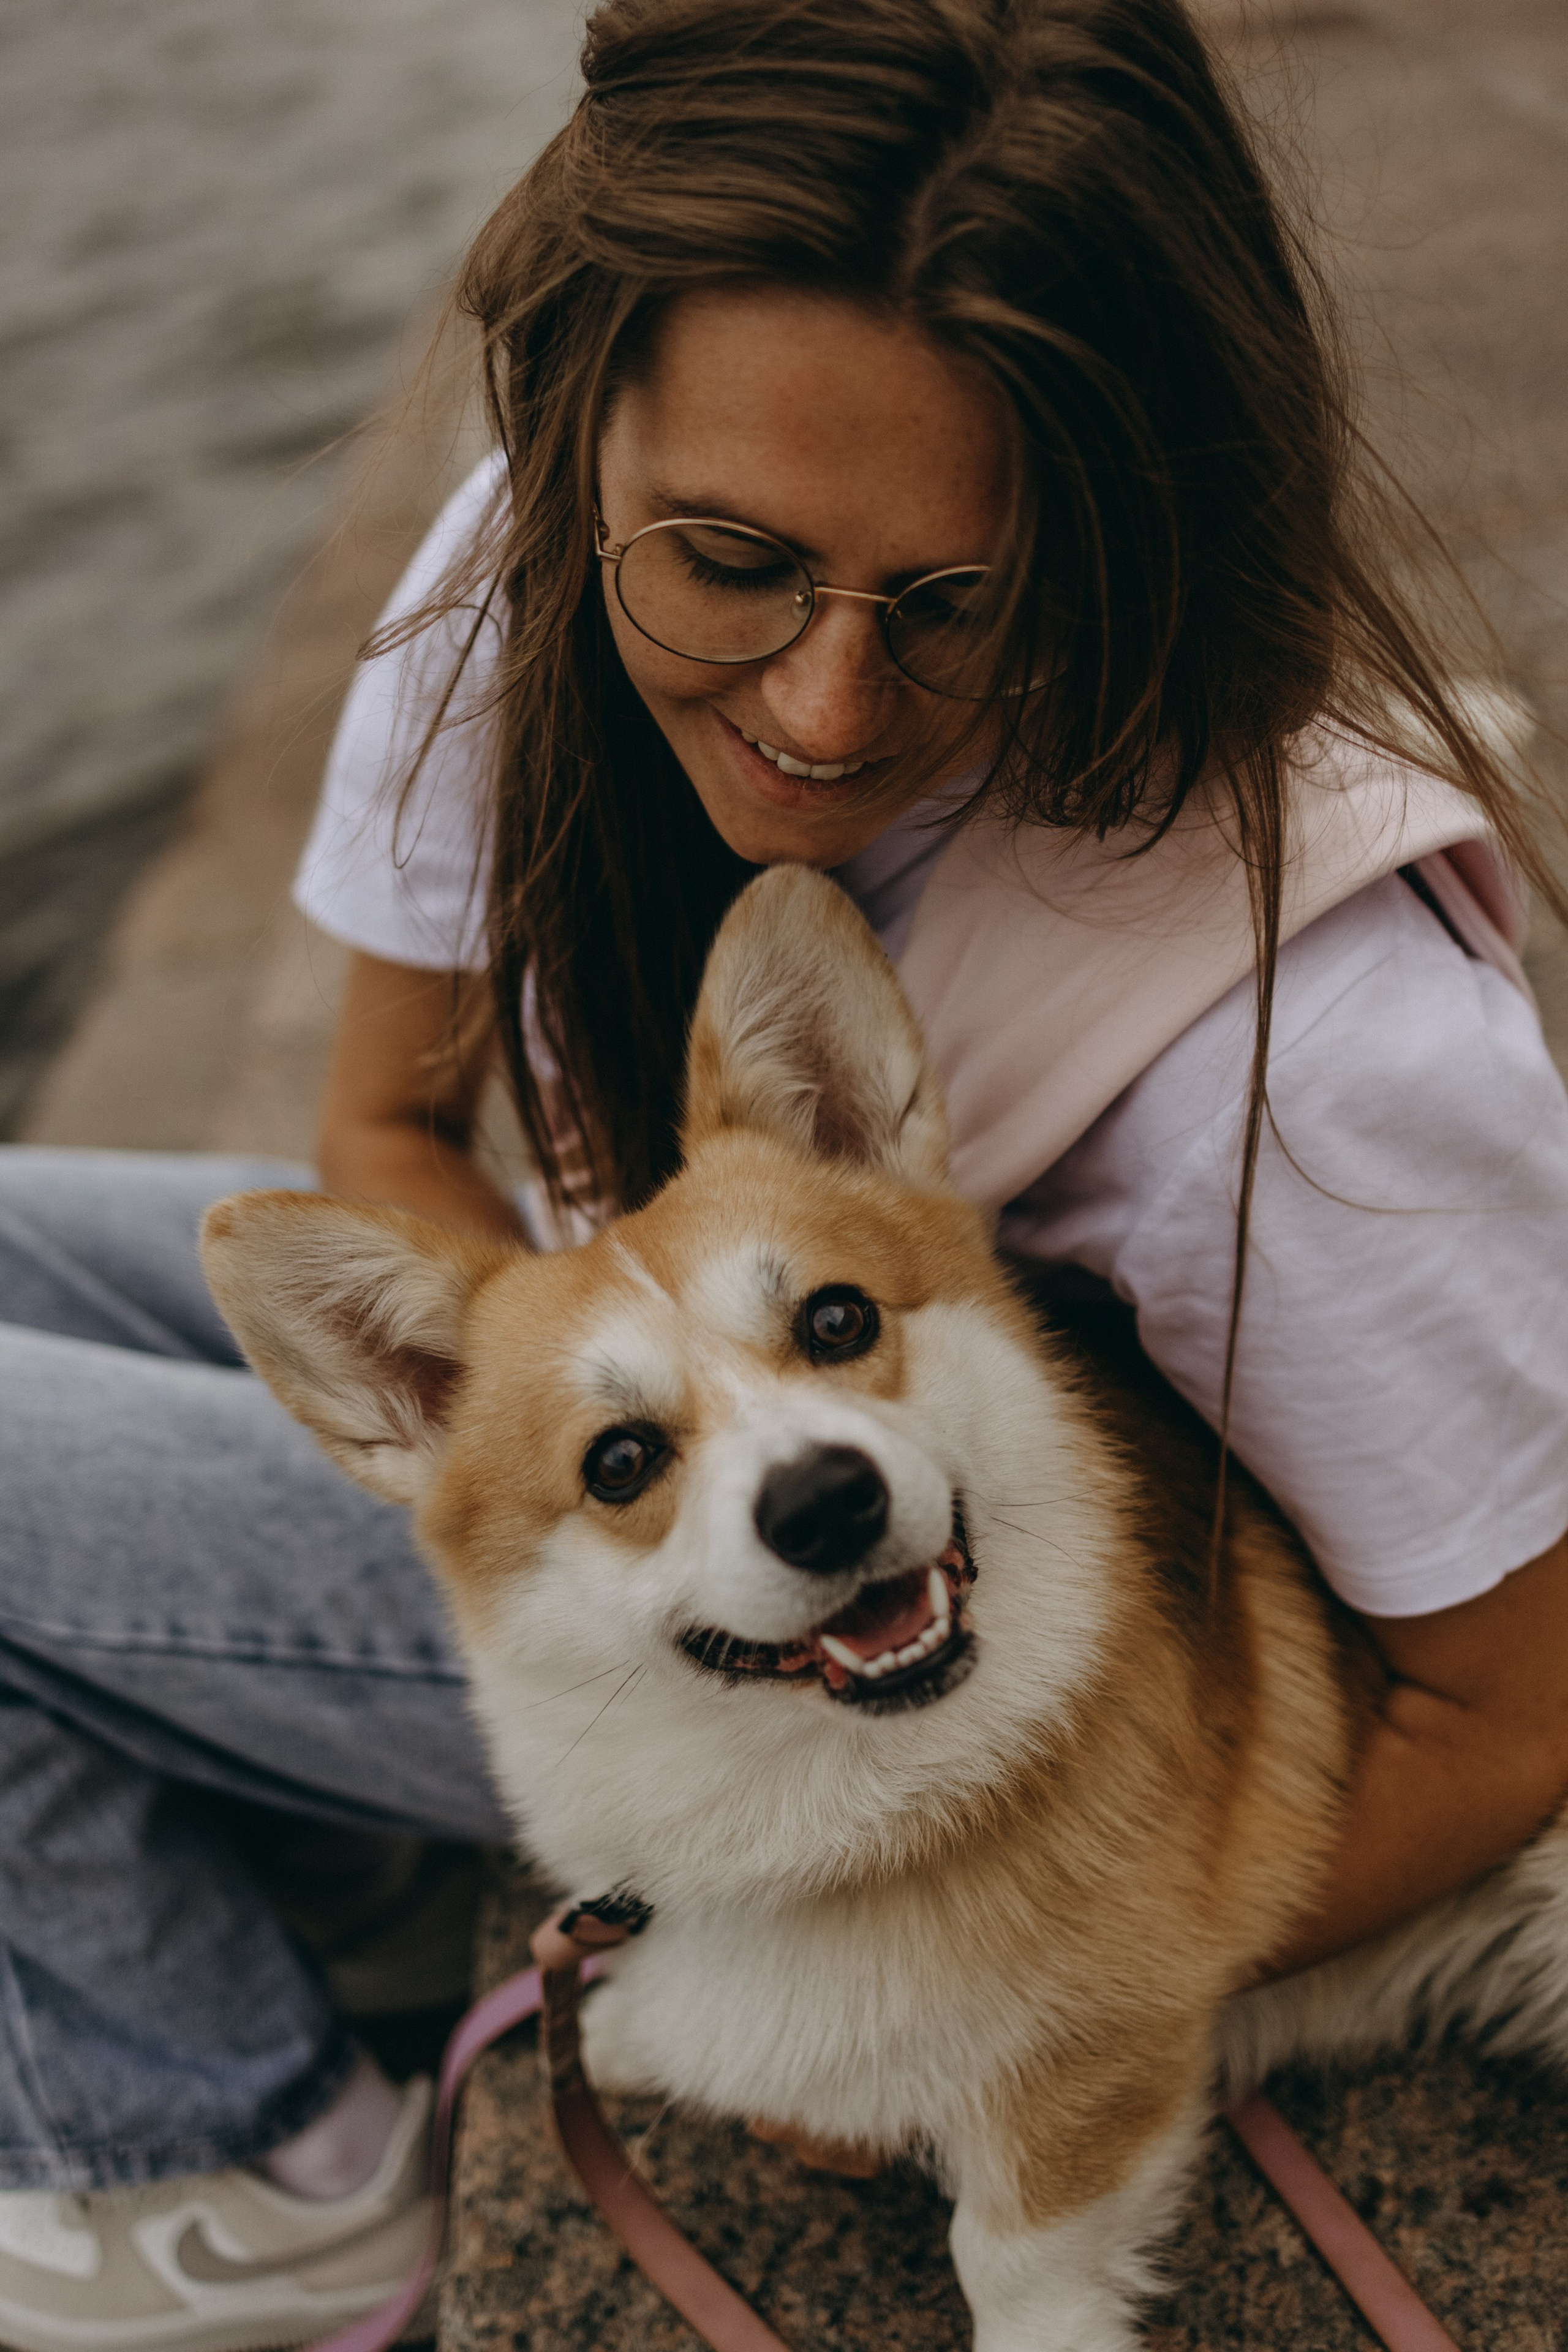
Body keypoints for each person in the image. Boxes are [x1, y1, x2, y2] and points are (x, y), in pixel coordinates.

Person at [3, 0, 1567, 2342]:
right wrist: (550, 1416)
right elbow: (391, 1129)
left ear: (1124, 521)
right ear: (583, 431)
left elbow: (1523, 1707)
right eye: (729, 560)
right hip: (644, 1527)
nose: (825, 715)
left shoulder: (1319, 1065)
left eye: (955, 600)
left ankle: (230, 2151)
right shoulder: (534, 572)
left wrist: (959, 2011)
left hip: (909, 1712)